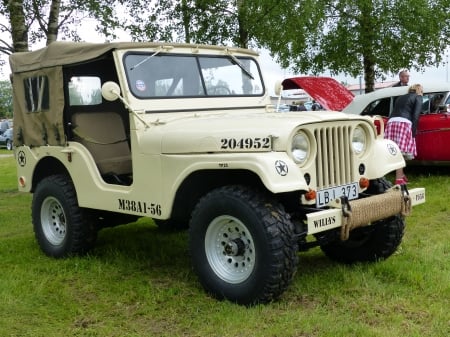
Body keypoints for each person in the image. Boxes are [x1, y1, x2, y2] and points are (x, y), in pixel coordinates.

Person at [384, 83, 423, 185]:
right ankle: (398, 179)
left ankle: (401, 175)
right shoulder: (418, 97)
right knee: (400, 152)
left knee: (395, 150)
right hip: (404, 122)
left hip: (391, 122)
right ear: (419, 90)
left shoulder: (401, 97)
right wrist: (413, 131)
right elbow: (416, 115)